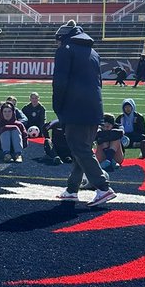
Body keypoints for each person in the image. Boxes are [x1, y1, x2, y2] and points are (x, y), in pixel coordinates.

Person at [51, 20, 115, 206]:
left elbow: (60, 82)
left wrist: (58, 107)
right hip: (93, 106)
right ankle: (72, 189)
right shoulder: (93, 52)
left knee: (80, 148)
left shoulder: (66, 49)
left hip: (75, 106)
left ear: (62, 37)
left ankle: (103, 188)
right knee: (81, 148)